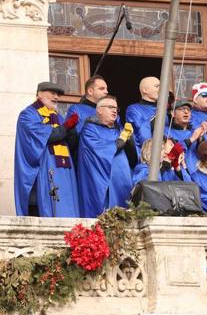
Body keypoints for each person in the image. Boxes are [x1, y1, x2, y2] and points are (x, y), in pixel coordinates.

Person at [14, 81, 80, 217]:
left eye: (58, 95)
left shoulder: (58, 117)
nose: (56, 97)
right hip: (40, 174)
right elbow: (51, 135)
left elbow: (71, 144)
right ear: (39, 94)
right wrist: (67, 126)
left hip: (63, 174)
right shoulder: (28, 115)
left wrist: (72, 129)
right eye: (52, 93)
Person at [78, 96, 137, 217]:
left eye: (116, 108)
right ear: (99, 110)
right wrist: (120, 141)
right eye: (110, 107)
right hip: (102, 184)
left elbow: (133, 159)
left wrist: (130, 140)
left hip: (123, 184)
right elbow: (100, 151)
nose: (114, 111)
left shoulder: (119, 130)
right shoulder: (90, 129)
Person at [165, 100, 207, 174]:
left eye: (188, 110)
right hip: (177, 173)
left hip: (198, 172)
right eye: (182, 109)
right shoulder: (166, 131)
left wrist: (200, 139)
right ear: (173, 113)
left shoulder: (195, 130)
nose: (186, 112)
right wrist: (192, 139)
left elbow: (206, 155)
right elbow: (171, 153)